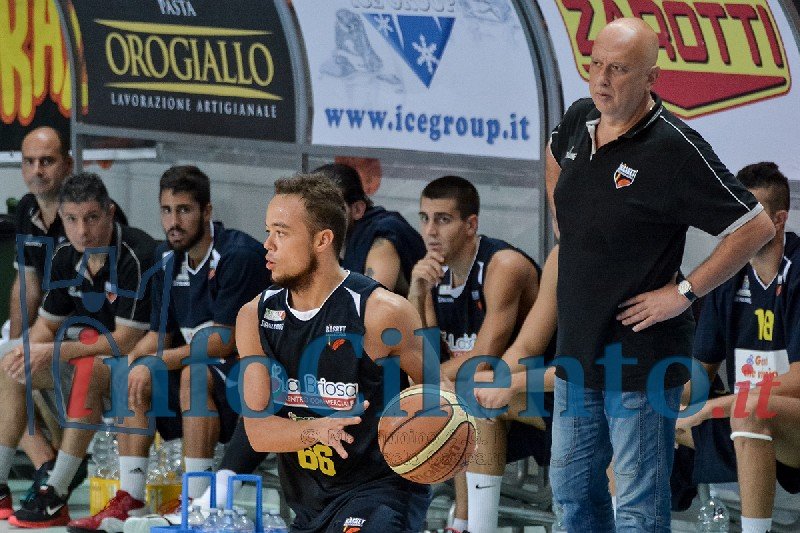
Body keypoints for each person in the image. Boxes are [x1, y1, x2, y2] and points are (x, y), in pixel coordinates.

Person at [545, 17, 775, 531]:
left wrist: (685, 292)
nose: (601, 79)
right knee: (571, 495)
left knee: (637, 504)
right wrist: (565, 220)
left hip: (641, 354)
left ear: (652, 78)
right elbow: (554, 154)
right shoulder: (580, 117)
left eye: (619, 69)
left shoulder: (673, 147)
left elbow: (754, 226)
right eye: (595, 64)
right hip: (578, 348)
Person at [190, 163, 427, 525]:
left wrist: (431, 434)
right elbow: (259, 431)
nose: (267, 245)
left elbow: (438, 394)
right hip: (309, 503)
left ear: (322, 240)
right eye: (268, 232)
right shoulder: (254, 316)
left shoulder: (382, 313)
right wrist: (315, 431)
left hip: (380, 493)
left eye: (281, 233)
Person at [65, 166, 271, 533]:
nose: (173, 222)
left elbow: (223, 341)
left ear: (207, 211)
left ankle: (197, 503)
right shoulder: (166, 259)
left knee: (192, 372)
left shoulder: (238, 256)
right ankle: (129, 499)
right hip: (198, 381)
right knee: (131, 372)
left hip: (245, 382)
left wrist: (155, 360)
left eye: (184, 210)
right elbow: (159, 335)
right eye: (166, 210)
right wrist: (132, 363)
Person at [0, 172, 155, 527]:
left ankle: (55, 493)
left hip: (138, 361)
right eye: (71, 219)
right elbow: (47, 325)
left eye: (91, 218)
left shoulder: (137, 254)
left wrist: (53, 352)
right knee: (9, 364)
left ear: (110, 213)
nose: (82, 231)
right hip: (85, 354)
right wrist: (25, 351)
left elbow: (125, 340)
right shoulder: (66, 256)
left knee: (90, 367)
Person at [408, 175, 542, 533]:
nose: (430, 231)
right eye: (424, 218)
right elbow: (422, 350)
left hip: (542, 389)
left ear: (471, 225)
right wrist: (417, 293)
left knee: (460, 395)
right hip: (486, 394)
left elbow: (485, 357)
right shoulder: (434, 274)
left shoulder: (503, 266)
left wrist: (427, 379)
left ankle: (468, 523)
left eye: (443, 219)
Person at [673, 162, 800, 533]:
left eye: (750, 216)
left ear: (778, 220)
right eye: (735, 215)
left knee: (748, 412)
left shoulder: (797, 270)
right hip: (743, 415)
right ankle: (626, 522)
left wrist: (716, 406)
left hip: (785, 421)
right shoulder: (729, 274)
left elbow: (798, 380)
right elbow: (700, 374)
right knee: (632, 414)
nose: (737, 226)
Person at [6, 127, 127, 504]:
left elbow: (110, 307)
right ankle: (47, 464)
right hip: (55, 320)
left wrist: (40, 347)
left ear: (68, 164)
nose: (37, 170)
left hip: (93, 329)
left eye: (47, 161)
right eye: (29, 162)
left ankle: (58, 470)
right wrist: (18, 343)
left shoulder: (92, 215)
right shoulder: (26, 210)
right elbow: (26, 285)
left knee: (38, 362)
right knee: (10, 363)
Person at [314, 162, 426, 295]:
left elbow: (369, 302)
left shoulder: (381, 240)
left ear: (357, 209)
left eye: (330, 210)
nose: (318, 218)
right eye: (312, 209)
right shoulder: (321, 238)